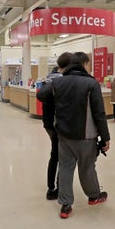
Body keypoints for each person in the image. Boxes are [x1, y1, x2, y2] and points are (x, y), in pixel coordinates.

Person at [37, 52, 110, 219]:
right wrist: (105, 137)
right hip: (86, 136)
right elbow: (99, 113)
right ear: (84, 64)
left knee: (65, 168)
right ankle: (93, 196)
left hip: (64, 135)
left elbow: (41, 94)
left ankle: (66, 205)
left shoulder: (57, 82)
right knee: (87, 167)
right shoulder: (91, 83)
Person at [39, 52, 72, 200]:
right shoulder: (61, 80)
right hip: (58, 123)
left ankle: (51, 187)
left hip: (49, 123)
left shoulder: (49, 79)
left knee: (55, 154)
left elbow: (42, 96)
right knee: (61, 156)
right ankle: (57, 187)